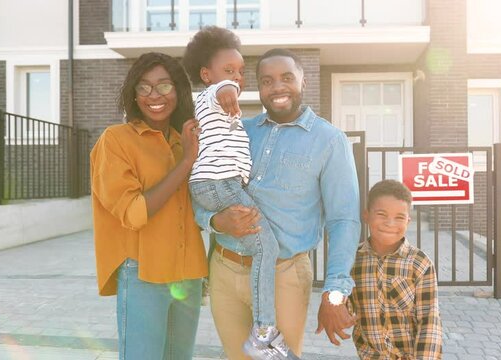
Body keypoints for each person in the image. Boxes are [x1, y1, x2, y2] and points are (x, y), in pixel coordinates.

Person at [191, 48, 361, 359]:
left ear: (303, 82)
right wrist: (214, 221)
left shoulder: (330, 140)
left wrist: (335, 293)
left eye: (286, 78)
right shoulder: (239, 129)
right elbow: (206, 182)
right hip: (226, 270)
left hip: (284, 276)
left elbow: (343, 220)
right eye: (267, 81)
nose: (277, 87)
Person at [182, 26, 297, 359]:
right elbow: (224, 91)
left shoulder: (222, 111)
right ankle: (263, 333)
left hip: (220, 184)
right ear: (207, 75)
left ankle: (261, 329)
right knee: (267, 246)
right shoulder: (215, 95)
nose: (237, 77)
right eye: (228, 70)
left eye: (241, 72)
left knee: (261, 246)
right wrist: (228, 88)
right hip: (218, 184)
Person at [90, 52, 207, 360]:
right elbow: (134, 212)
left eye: (164, 85)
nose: (154, 95)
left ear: (178, 90)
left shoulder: (184, 140)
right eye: (144, 87)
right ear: (134, 94)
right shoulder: (116, 140)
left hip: (189, 273)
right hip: (143, 272)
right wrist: (186, 163)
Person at [349, 179, 443, 359]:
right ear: (366, 215)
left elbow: (429, 321)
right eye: (382, 214)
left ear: (409, 220)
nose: (390, 223)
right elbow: (346, 305)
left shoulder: (420, 264)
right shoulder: (353, 260)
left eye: (399, 217)